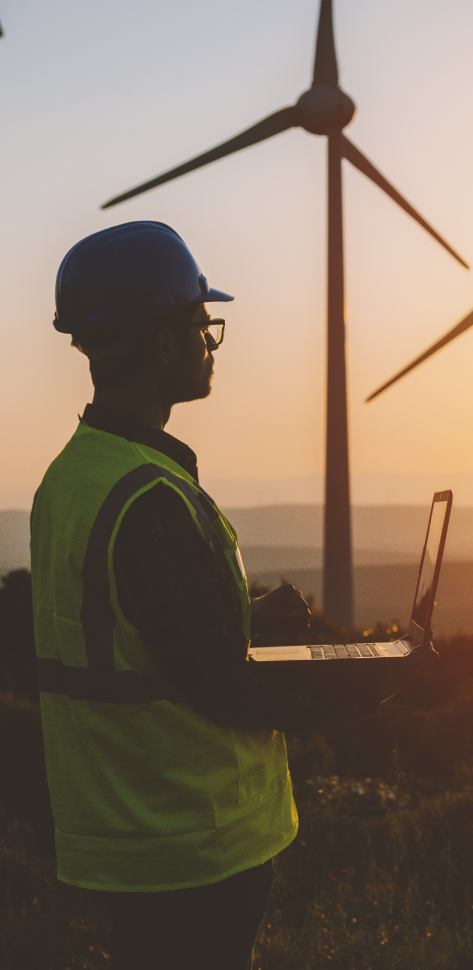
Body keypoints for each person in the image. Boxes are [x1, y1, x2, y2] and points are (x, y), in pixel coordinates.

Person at [31, 221, 319, 970]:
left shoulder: (71, 479)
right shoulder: (148, 497)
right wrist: (360, 681)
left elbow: (138, 641)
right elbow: (222, 684)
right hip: (196, 840)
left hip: (127, 833)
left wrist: (251, 618)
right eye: (200, 325)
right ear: (161, 344)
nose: (209, 343)